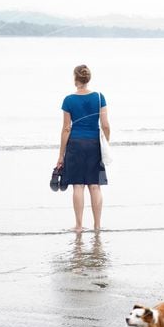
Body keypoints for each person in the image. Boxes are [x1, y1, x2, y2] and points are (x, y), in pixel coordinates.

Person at [56, 65, 110, 232]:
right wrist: (105, 144)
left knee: (78, 185)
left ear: (75, 78)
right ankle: (97, 225)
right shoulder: (100, 97)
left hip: (75, 145)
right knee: (95, 186)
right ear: (88, 78)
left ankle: (79, 226)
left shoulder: (68, 100)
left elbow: (66, 128)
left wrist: (61, 155)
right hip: (94, 144)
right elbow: (106, 125)